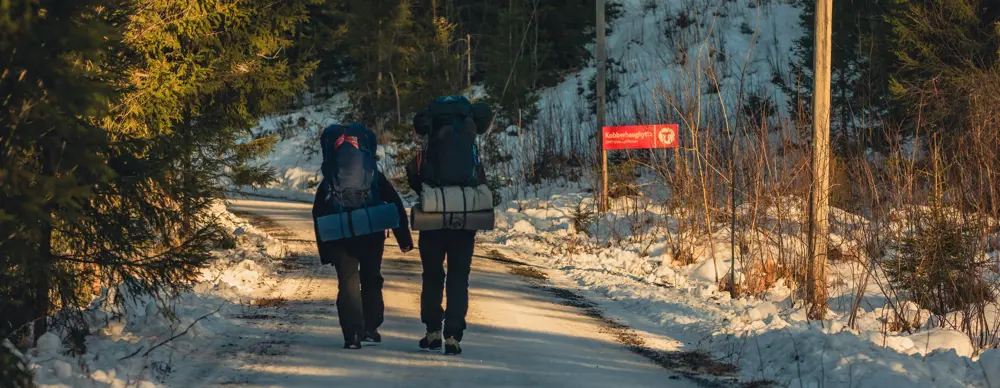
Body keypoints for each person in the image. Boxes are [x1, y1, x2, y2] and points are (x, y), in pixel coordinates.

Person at [312, 137, 414, 350]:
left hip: (341, 233)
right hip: (371, 232)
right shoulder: (373, 174)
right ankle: (370, 328)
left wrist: (325, 250)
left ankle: (352, 335)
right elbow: (395, 203)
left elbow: (318, 211)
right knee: (371, 278)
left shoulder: (331, 175)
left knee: (348, 283)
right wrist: (403, 238)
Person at [405, 152, 488, 355]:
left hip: (432, 223)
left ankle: (433, 331)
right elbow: (481, 183)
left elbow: (413, 177)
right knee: (458, 279)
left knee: (432, 276)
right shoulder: (470, 152)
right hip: (463, 225)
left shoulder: (428, 151)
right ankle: (453, 336)